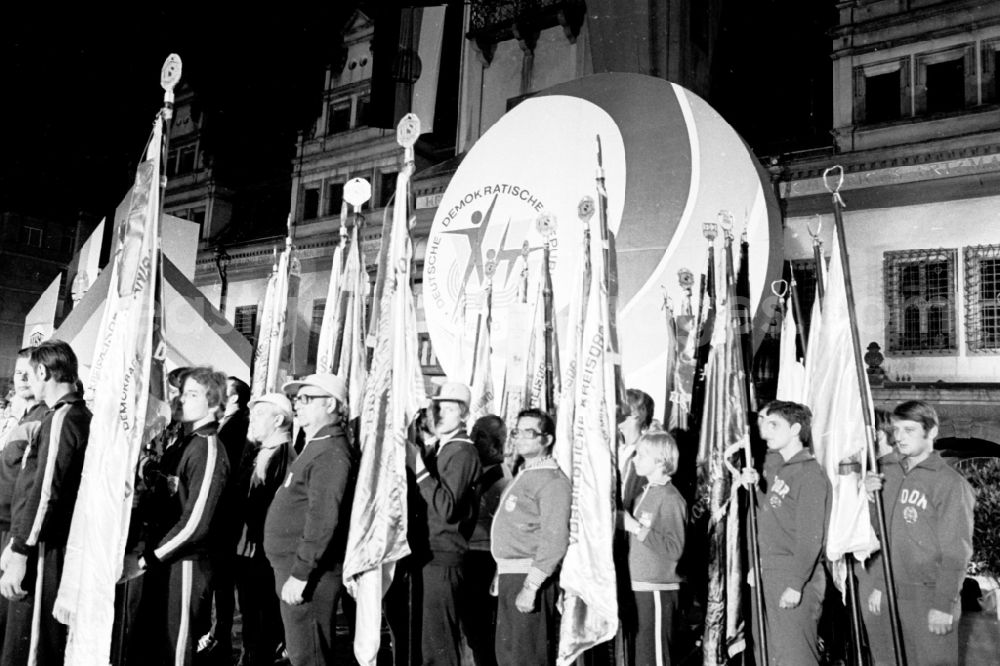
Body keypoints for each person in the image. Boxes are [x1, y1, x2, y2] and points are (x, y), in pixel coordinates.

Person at [859, 400, 974, 666]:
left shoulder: (949, 483)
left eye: (909, 430)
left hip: (928, 595)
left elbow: (956, 551)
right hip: (887, 591)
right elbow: (880, 536)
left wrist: (944, 604)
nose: (899, 437)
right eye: (896, 430)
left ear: (931, 431)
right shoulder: (887, 473)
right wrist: (868, 497)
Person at [0, 340, 92, 665]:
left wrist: (21, 551)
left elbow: (44, 492)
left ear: (43, 371)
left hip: (44, 548)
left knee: (32, 648)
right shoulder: (68, 415)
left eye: (32, 374)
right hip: (41, 542)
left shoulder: (64, 417)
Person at [133, 366, 231, 665]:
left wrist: (148, 559)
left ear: (214, 403)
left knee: (177, 647)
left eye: (191, 394)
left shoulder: (207, 448)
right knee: (157, 643)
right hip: (166, 558)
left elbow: (195, 524)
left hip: (186, 562)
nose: (180, 401)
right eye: (179, 393)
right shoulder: (186, 443)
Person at [264, 374, 357, 666]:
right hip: (294, 567)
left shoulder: (330, 451)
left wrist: (301, 573)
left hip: (308, 574)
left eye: (306, 399)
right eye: (296, 399)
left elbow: (322, 519)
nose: (297, 406)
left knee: (309, 655)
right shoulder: (317, 445)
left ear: (330, 403)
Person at [406, 381, 482, 665]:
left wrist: (421, 469)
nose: (439, 415)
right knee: (429, 641)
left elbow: (447, 508)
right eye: (436, 408)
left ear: (463, 415)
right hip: (430, 554)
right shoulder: (442, 448)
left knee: (439, 644)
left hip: (443, 556)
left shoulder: (461, 451)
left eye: (448, 409)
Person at [748, 400, 830, 665]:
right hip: (770, 572)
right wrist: (755, 491)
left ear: (795, 428)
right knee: (769, 654)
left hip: (795, 577)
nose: (766, 432)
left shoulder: (809, 474)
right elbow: (775, 518)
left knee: (795, 656)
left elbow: (810, 537)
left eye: (774, 425)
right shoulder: (782, 470)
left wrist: (796, 584)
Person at [490, 408, 570, 665]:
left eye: (529, 432)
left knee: (526, 657)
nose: (520, 438)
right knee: (509, 654)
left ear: (547, 440)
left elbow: (554, 541)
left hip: (529, 578)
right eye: (517, 431)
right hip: (510, 576)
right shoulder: (525, 473)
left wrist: (531, 587)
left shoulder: (552, 480)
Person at [234, 392, 295, 666]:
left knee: (262, 624)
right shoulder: (264, 453)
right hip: (250, 551)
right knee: (252, 620)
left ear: (279, 420)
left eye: (260, 415)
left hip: (264, 555)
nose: (252, 420)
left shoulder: (284, 457)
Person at [620, 429, 687, 666]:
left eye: (641, 455)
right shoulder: (643, 494)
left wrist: (636, 528)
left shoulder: (670, 498)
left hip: (659, 589)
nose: (635, 459)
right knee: (644, 657)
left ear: (660, 461)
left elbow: (674, 548)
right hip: (639, 587)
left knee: (656, 658)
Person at [0, 348, 46, 662]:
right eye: (18, 374)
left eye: (29, 373)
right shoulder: (22, 417)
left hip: (14, 533)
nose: (23, 380)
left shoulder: (45, 419)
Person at [207, 376, 251, 659]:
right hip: (223, 519)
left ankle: (225, 637)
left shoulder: (239, 426)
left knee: (229, 582)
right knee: (221, 582)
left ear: (234, 398)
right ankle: (219, 633)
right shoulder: (224, 423)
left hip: (231, 517)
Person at [463, 415, 511, 666]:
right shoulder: (479, 469)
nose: (473, 439)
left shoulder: (500, 479)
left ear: (496, 442)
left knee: (480, 628)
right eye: (473, 432)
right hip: (470, 553)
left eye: (480, 435)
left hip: (483, 557)